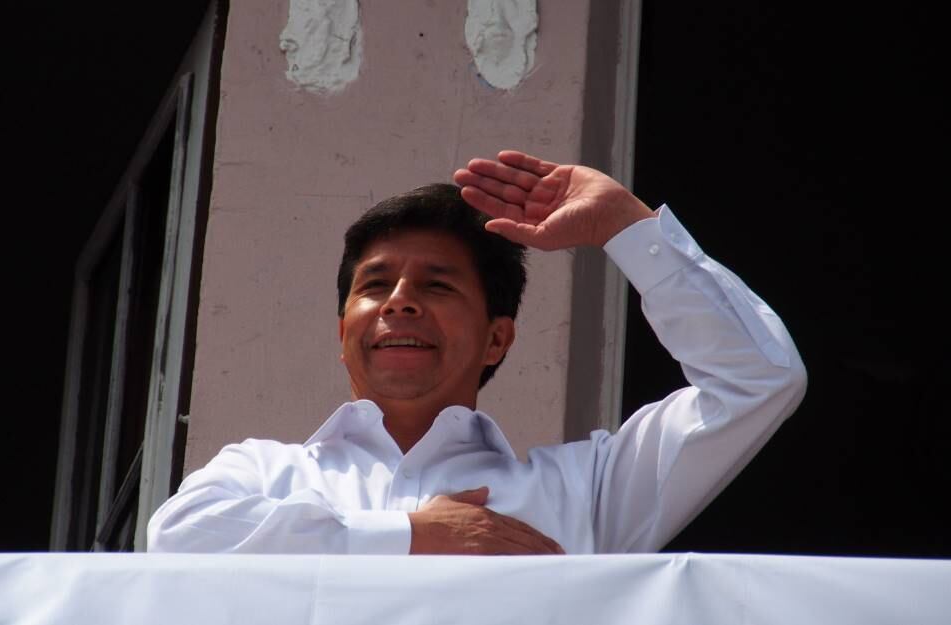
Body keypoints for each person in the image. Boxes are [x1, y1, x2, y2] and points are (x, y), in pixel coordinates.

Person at [146, 150, 807, 555]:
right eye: (375, 284)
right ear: (343, 329)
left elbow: (757, 380)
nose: (400, 300)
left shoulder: (584, 493)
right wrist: (412, 536)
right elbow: (175, 539)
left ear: (498, 336)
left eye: (437, 284)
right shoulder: (262, 473)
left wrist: (627, 227)